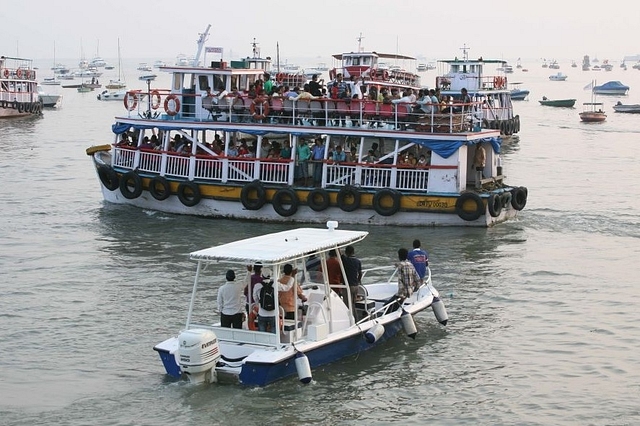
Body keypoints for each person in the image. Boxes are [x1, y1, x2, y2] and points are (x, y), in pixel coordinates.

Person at [341, 245, 362, 310]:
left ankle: (350, 318)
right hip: (355, 286)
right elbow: (360, 273)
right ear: (353, 252)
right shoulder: (358, 261)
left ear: (346, 252)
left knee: (347, 305)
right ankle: (355, 317)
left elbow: (339, 254)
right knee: (353, 304)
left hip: (348, 286)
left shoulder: (345, 260)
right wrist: (358, 281)